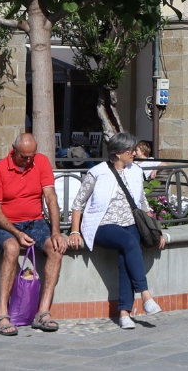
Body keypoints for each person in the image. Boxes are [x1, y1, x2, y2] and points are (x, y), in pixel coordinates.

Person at [67, 130, 168, 329]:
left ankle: (124, 313)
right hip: (102, 225)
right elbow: (78, 203)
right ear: (117, 153)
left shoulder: (135, 171)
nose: (134, 153)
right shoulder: (97, 172)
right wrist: (74, 231)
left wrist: (156, 230)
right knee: (130, 243)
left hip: (130, 223)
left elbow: (142, 202)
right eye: (130, 150)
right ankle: (145, 294)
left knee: (126, 256)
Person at [0, 130, 68, 335]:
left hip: (35, 222)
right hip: (6, 224)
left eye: (31, 156)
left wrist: (56, 232)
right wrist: (15, 233)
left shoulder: (40, 162)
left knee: (56, 248)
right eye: (24, 156)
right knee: (12, 248)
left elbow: (51, 198)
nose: (27, 160)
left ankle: (43, 312)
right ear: (14, 151)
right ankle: (3, 314)